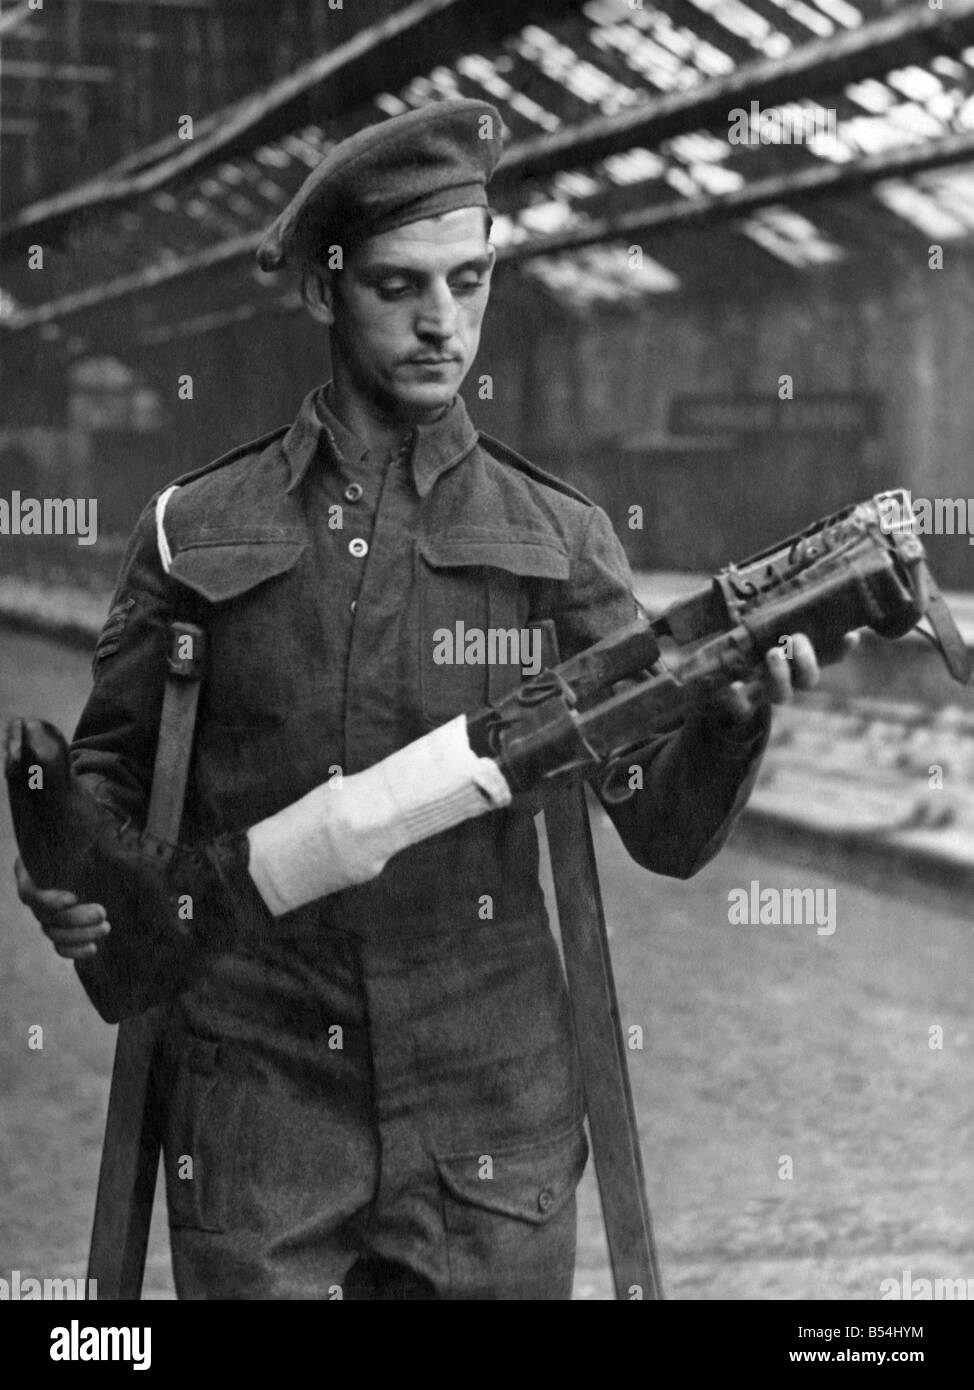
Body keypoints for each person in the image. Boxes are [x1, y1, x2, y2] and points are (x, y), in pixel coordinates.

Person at [14, 99, 832, 1299]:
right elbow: (111, 775)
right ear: (323, 290)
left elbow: (658, 825)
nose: (442, 321)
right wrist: (70, 872)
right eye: (398, 286)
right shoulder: (196, 531)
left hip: (489, 1110)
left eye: (468, 279)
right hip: (260, 1105)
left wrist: (731, 719)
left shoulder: (557, 541)